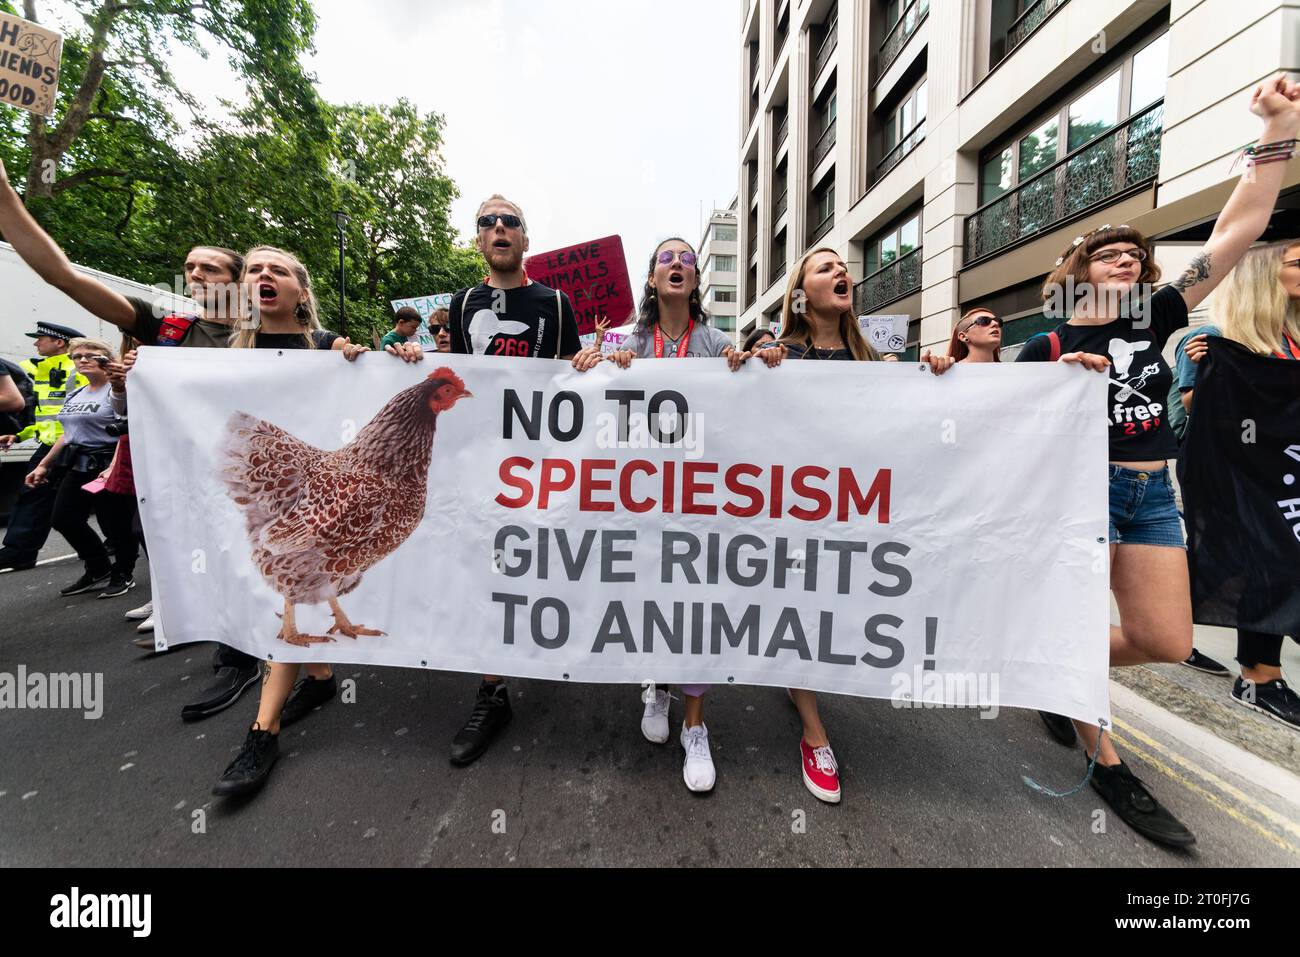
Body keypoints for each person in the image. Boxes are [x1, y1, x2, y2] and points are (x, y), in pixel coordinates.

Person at [1014, 74, 1300, 847]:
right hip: (1078, 496)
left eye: (1135, 256)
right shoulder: (1047, 341)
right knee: (1085, 628)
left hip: (1153, 496)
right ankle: (1109, 762)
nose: (1127, 264)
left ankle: (1048, 666)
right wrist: (1049, 381)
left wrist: (1276, 131)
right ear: (1076, 275)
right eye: (1108, 255)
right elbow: (984, 417)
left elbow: (1238, 231)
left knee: (1167, 640)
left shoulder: (1159, 313)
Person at [0, 155, 271, 721]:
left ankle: (253, 653)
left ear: (237, 279)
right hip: (182, 475)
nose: (195, 276)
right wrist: (5, 196)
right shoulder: (164, 327)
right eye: (189, 268)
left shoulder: (271, 329)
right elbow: (64, 276)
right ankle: (223, 637)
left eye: (210, 270)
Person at [213, 244, 423, 797]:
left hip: (305, 499)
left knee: (301, 576)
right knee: (290, 590)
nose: (264, 276)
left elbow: (368, 376)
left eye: (277, 270)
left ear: (301, 291)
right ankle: (286, 710)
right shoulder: (226, 355)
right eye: (254, 268)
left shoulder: (326, 346)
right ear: (243, 288)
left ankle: (268, 721)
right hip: (275, 498)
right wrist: (135, 376)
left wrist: (386, 357)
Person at [756, 247, 953, 803]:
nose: (841, 272)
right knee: (800, 610)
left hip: (857, 515)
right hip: (794, 512)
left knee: (833, 613)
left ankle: (797, 687)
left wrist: (936, 374)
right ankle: (814, 734)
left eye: (843, 267)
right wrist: (748, 367)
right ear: (801, 291)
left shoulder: (876, 361)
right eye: (825, 268)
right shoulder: (781, 354)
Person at [582, 237, 748, 793]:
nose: (678, 264)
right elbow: (584, 390)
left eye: (687, 259)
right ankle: (654, 684)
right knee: (647, 599)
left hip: (701, 503)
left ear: (696, 280)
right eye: (666, 259)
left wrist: (754, 359)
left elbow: (757, 387)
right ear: (652, 280)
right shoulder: (624, 340)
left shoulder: (718, 341)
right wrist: (596, 363)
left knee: (698, 608)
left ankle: (695, 729)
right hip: (640, 502)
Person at [444, 194, 582, 767]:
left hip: (541, 465)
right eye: (488, 222)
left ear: (526, 240)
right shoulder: (461, 303)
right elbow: (452, 374)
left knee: (541, 564)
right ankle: (492, 690)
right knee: (487, 573)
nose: (499, 228)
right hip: (481, 465)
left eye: (511, 222)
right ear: (478, 239)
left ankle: (556, 645)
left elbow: (576, 377)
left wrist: (596, 363)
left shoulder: (556, 302)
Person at [1175, 240, 1300, 729]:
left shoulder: (1294, 337)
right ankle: (1258, 677)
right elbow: (1194, 410)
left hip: (1288, 470)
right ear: (1268, 277)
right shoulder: (1218, 337)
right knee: (1263, 564)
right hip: (1238, 478)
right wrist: (1209, 371)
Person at [23, 338, 139, 598]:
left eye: (91, 355)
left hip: (110, 462)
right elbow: (68, 433)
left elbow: (127, 429)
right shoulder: (77, 392)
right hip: (79, 463)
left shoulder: (120, 389)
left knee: (116, 524)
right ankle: (98, 567)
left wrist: (112, 467)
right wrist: (43, 464)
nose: (83, 360)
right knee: (63, 518)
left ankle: (123, 572)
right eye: (77, 356)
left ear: (107, 359)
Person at [0, 322, 87, 572]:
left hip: (72, 443)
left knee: (47, 499)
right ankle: (20, 551)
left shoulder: (75, 369)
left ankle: (21, 551)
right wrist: (20, 435)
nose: (36, 343)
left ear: (59, 342)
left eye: (41, 338)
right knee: (38, 497)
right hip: (51, 443)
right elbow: (46, 415)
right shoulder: (44, 370)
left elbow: (80, 411)